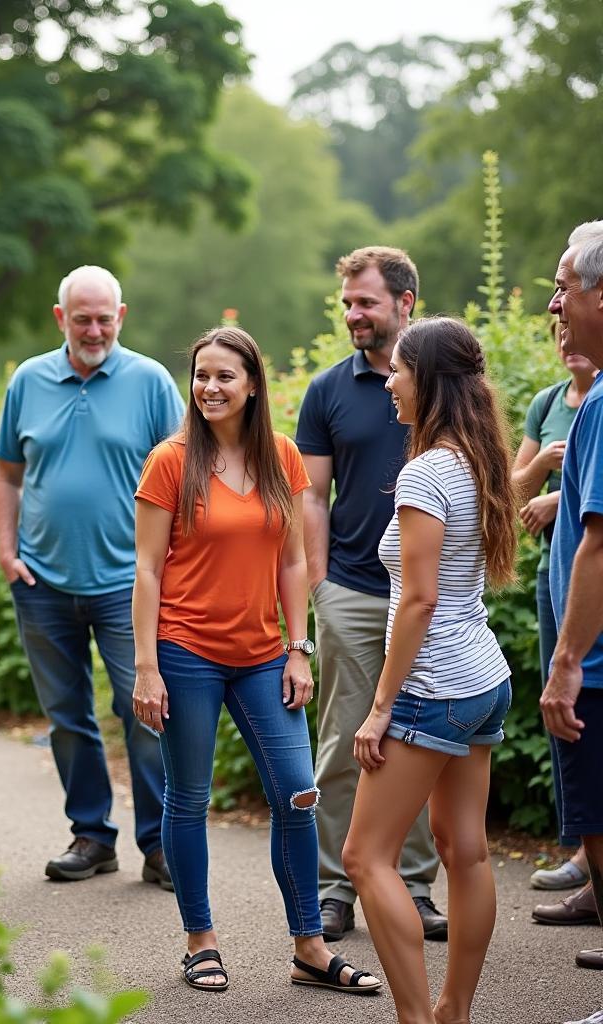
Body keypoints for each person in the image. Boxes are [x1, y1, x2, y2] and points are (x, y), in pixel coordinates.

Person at [132, 326, 381, 995]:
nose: (209, 388)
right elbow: (148, 571)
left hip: (264, 654)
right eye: (200, 376)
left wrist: (297, 650)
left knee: (297, 792)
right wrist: (146, 665)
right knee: (187, 799)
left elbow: (294, 558)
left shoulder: (280, 455)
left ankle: (309, 947)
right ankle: (200, 940)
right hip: (185, 651)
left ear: (251, 385)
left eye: (224, 377)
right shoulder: (169, 461)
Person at [343, 317, 516, 1024]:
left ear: (429, 381)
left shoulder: (425, 471)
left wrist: (381, 705)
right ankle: (454, 1010)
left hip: (432, 687)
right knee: (465, 851)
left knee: (364, 858)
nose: (389, 380)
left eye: (400, 370)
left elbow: (418, 598)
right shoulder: (480, 456)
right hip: (482, 679)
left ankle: (418, 1019)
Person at [0, 265, 183, 886]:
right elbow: (7, 475)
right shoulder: (28, 380)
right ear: (60, 318)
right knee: (67, 717)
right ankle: (92, 836)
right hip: (42, 583)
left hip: (130, 583)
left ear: (120, 317)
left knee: (146, 713)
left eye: (104, 318)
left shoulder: (151, 382)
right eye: (82, 319)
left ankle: (158, 845)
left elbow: (186, 475)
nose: (94, 329)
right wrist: (5, 551)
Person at [296, 246, 445, 943]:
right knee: (342, 745)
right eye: (347, 302)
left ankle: (413, 887)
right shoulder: (327, 391)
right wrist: (320, 583)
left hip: (429, 596)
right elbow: (312, 498)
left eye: (367, 302)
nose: (353, 314)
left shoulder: (441, 386)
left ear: (405, 303)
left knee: (414, 740)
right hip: (352, 592)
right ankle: (334, 889)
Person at [541, 220, 603, 1024]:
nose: (556, 301)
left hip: (597, 670)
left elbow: (600, 541)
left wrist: (566, 664)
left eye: (566, 285)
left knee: (598, 832)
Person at [512, 321, 596, 902]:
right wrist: (542, 463)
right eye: (555, 331)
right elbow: (512, 494)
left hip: (588, 578)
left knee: (582, 704)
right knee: (564, 715)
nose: (563, 337)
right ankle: (583, 856)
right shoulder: (547, 404)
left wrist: (557, 495)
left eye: (569, 325)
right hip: (554, 576)